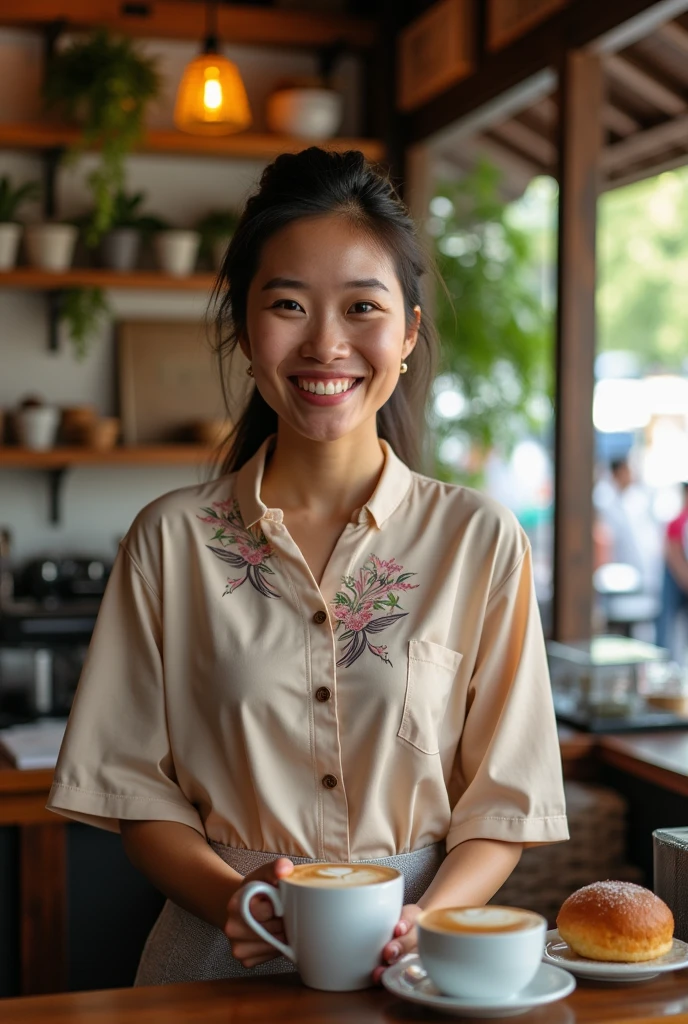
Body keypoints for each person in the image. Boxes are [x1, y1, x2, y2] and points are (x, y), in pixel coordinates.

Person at [46, 148, 568, 986]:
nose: (325, 342)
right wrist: (234, 902)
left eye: (363, 306)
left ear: (407, 333)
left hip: (419, 969)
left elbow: (503, 802)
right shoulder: (169, 541)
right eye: (287, 304)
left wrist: (424, 920)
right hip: (215, 961)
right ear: (247, 331)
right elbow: (133, 793)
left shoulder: (480, 539)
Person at [656, 482, 688, 661]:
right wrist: (684, 576)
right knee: (669, 627)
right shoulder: (678, 522)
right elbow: (673, 553)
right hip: (677, 581)